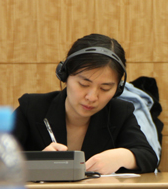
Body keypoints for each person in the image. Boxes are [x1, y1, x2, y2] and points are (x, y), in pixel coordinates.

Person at [12, 34, 158, 174]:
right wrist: (35, 162)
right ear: (64, 75)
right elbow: (0, 159)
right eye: (83, 84)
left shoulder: (119, 112)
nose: (92, 97)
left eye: (105, 88)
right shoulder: (31, 108)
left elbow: (149, 157)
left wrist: (122, 156)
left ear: (118, 89)